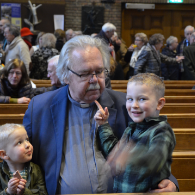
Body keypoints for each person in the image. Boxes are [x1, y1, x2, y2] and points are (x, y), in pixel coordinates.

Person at [23, 35, 178, 194]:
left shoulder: (127, 105)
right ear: (65, 75)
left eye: (99, 71)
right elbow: (22, 159)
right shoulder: (40, 108)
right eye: (85, 74)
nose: (94, 80)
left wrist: (169, 182)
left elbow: (153, 153)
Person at [94, 73, 176, 192]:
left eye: (142, 99)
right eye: (130, 99)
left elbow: (155, 159)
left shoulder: (162, 130)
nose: (134, 105)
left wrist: (128, 157)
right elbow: (114, 153)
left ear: (159, 103)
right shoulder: (131, 129)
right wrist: (104, 125)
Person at [0, 123, 47, 194]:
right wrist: (8, 192)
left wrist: (25, 192)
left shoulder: (36, 170)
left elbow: (43, 193)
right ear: (4, 154)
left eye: (27, 139)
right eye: (19, 142)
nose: (27, 145)